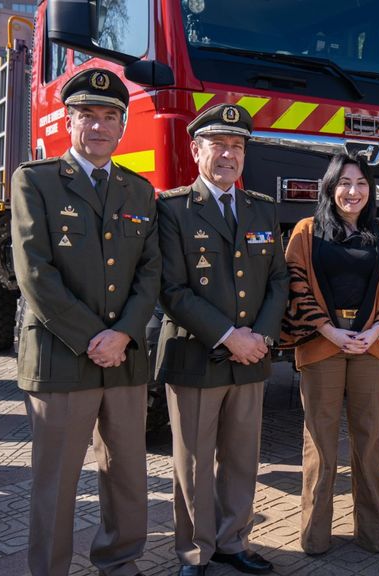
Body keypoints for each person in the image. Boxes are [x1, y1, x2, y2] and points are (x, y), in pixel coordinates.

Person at [11, 68, 161, 576]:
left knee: (127, 474)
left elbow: (150, 271)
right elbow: (34, 271)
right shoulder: (36, 180)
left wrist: (123, 334)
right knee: (56, 481)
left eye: (109, 117)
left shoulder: (140, 191)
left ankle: (119, 561)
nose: (98, 127)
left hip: (124, 358)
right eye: (87, 116)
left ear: (122, 127)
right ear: (68, 123)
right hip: (60, 355)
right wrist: (92, 337)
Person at [156, 103, 288, 576]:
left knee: (241, 457)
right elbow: (172, 289)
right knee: (192, 463)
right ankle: (195, 552)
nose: (229, 154)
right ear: (196, 150)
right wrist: (232, 336)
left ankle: (234, 541)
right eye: (219, 145)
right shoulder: (172, 208)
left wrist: (263, 338)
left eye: (238, 146)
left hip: (251, 357)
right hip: (197, 355)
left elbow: (278, 280)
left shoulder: (261, 209)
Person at [280, 154, 379, 556]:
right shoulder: (306, 231)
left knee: (369, 441)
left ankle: (372, 533)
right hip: (323, 345)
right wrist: (329, 330)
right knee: (320, 445)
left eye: (360, 183)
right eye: (344, 182)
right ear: (329, 187)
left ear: (371, 190)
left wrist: (374, 330)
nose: (352, 191)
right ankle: (314, 535)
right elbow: (295, 285)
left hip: (373, 348)